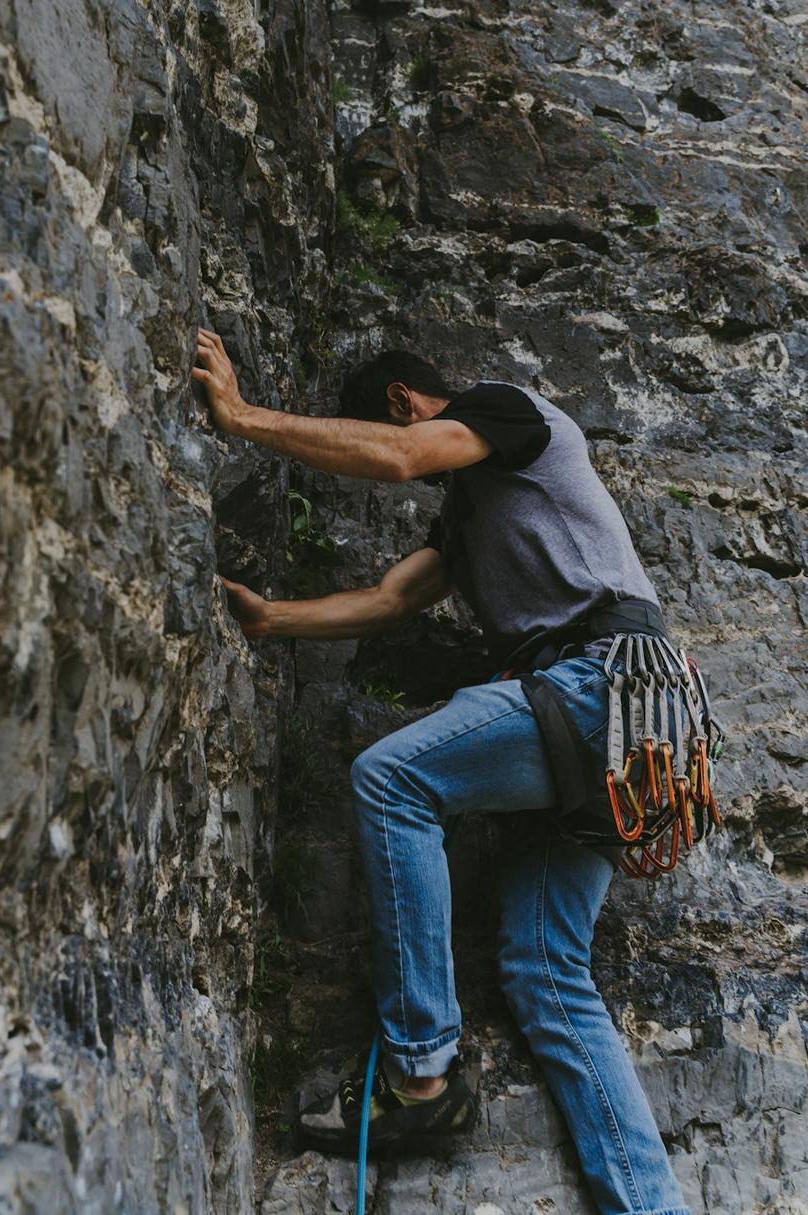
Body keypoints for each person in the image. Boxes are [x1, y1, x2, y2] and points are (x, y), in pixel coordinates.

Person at [192, 329, 692, 1215]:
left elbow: (398, 455)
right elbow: (390, 598)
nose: (422, 468)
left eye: (394, 430)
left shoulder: (504, 410)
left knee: (393, 779)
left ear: (400, 399)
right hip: (638, 731)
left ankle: (420, 1073)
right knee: (546, 970)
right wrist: (275, 619)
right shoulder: (470, 514)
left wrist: (239, 417)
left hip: (599, 684)